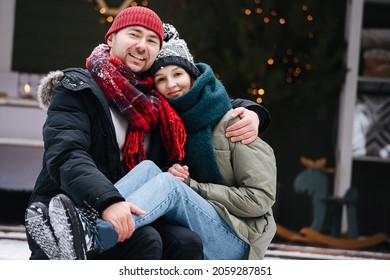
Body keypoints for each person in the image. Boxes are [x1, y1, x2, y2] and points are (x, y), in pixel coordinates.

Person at [25, 6, 270, 260]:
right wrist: (107, 202)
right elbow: (66, 154)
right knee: (150, 235)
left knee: (184, 239)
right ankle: (79, 231)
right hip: (74, 204)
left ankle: (91, 232)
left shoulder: (158, 104)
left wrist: (253, 111)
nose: (142, 46)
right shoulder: (79, 89)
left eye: (152, 40)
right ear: (111, 39)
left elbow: (204, 99)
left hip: (138, 212)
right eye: (134, 34)